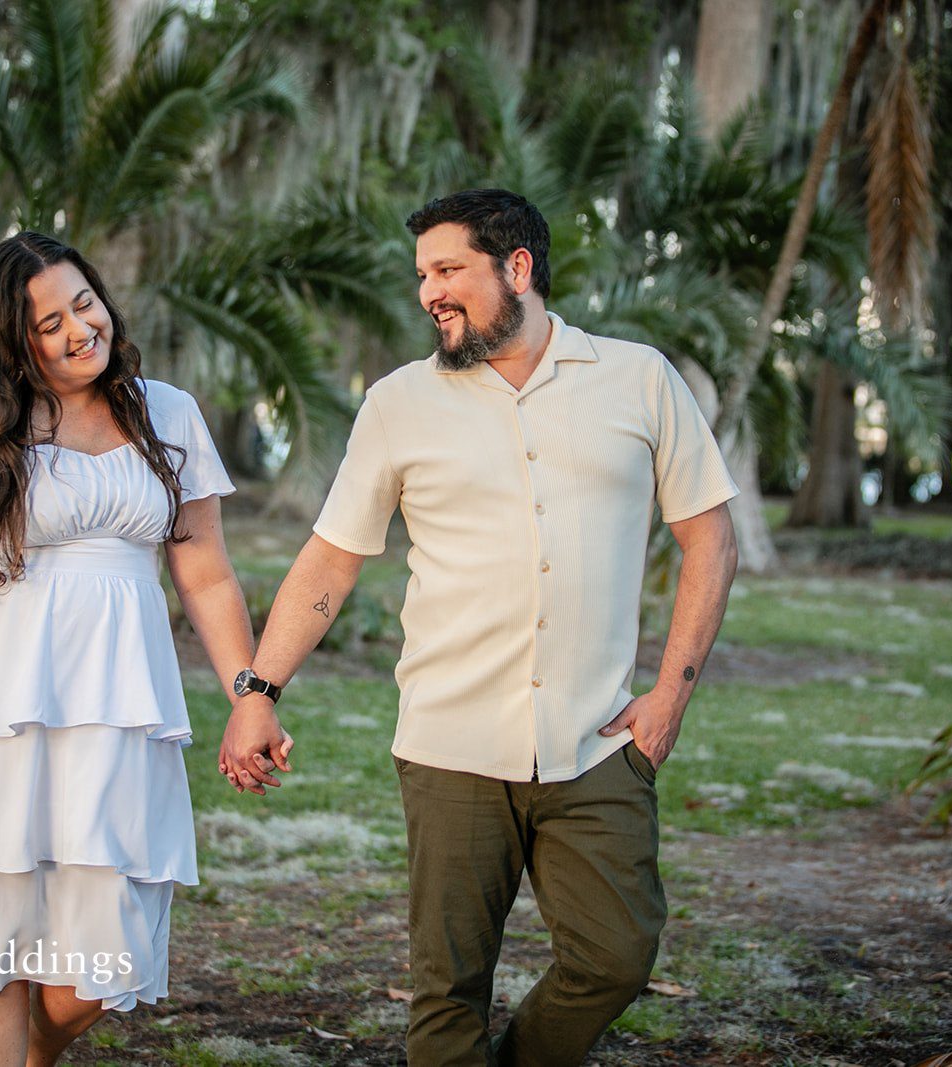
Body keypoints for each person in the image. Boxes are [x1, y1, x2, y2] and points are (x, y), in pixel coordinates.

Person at [220, 189, 740, 1066]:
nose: (430, 291)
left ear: (519, 268)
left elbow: (710, 535)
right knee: (448, 988)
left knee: (616, 954)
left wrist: (670, 698)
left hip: (596, 738)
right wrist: (258, 691)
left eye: (450, 269)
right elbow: (331, 559)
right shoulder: (398, 403)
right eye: (423, 274)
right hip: (449, 744)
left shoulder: (638, 378)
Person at [0, 231, 275, 1066]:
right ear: (14, 340)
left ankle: (27, 1051)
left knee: (105, 956)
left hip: (121, 711)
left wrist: (250, 691)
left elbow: (207, 576)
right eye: (49, 322)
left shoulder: (168, 413)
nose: (79, 329)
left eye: (84, 303)